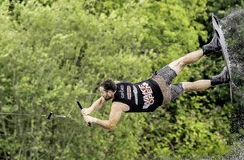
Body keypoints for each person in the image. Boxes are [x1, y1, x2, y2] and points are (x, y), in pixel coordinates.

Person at [80, 30, 229, 131]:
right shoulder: (118, 84)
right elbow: (101, 101)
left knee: (186, 86)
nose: (102, 95)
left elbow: (111, 125)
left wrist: (93, 119)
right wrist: (89, 109)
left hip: (161, 97)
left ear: (110, 92)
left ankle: (221, 79)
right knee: (181, 62)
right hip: (158, 82)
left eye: (103, 92)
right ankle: (212, 47)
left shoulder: (118, 105)